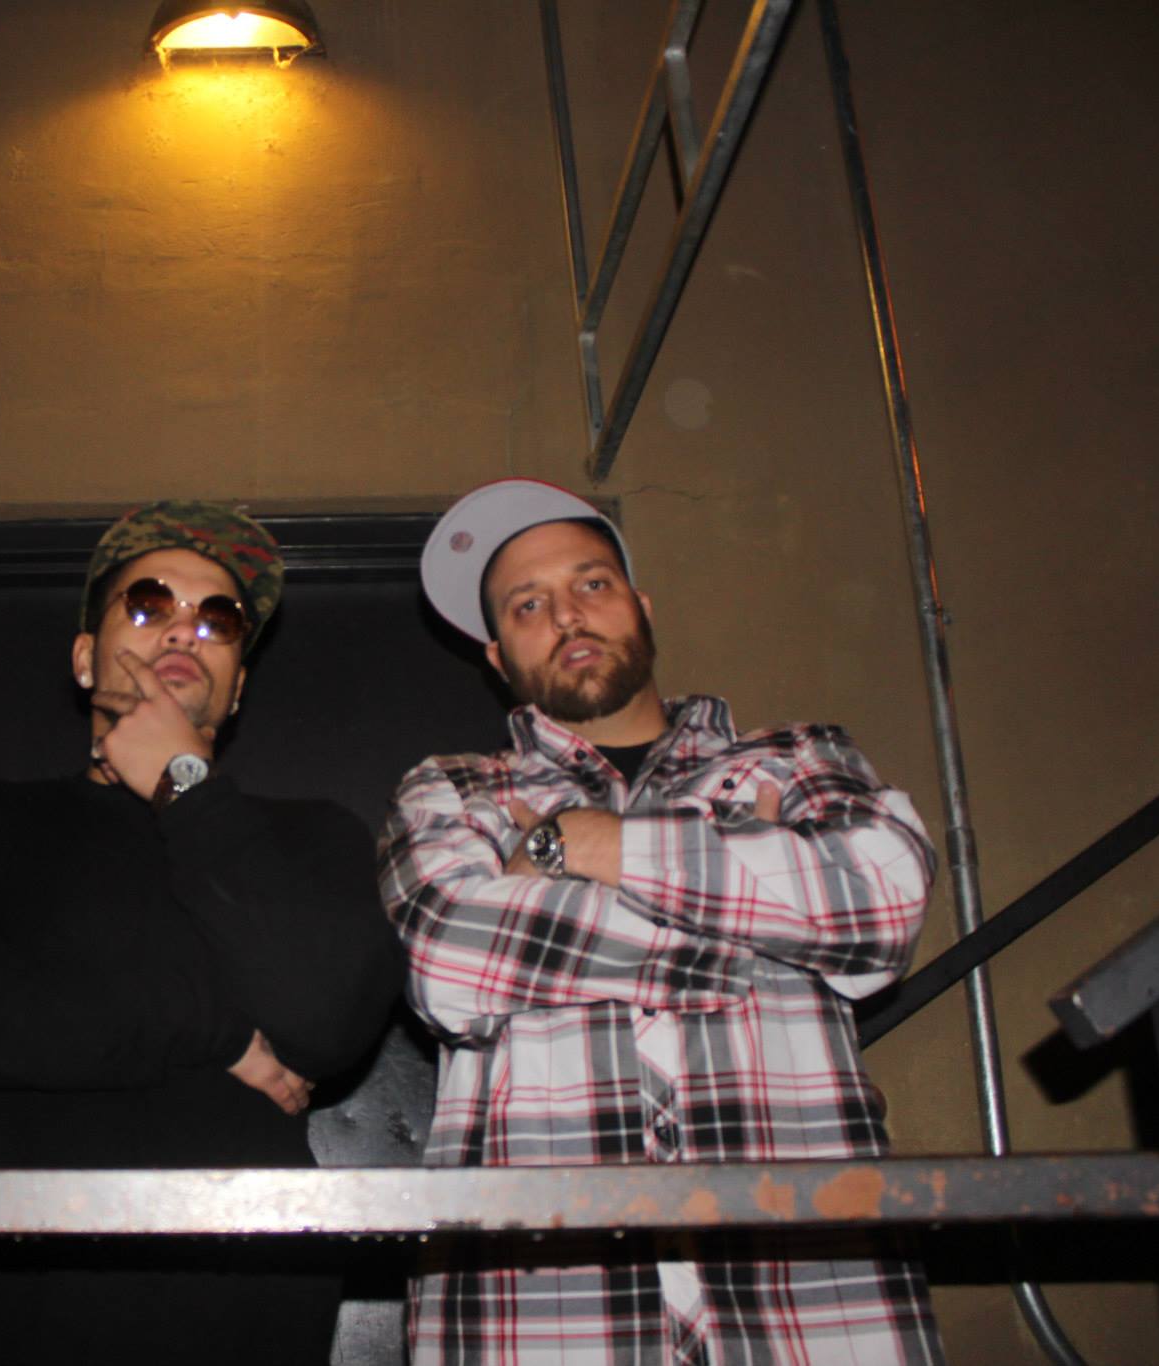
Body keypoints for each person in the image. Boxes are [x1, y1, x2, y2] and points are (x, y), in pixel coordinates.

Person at [379, 478, 944, 1363]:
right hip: (538, 1296)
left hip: (813, 1281)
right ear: (496, 655)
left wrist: (579, 844)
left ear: (641, 606)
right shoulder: (454, 789)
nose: (567, 615)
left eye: (591, 583)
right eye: (529, 604)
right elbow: (449, 963)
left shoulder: (798, 754)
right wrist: (757, 915)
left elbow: (879, 906)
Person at [0, 500, 403, 1365]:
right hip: (15, 1314)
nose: (185, 631)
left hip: (247, 1314)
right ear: (86, 658)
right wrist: (219, 1030)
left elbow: (327, 1025)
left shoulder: (312, 837)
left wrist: (183, 785)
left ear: (238, 686)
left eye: (218, 620)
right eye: (150, 605)